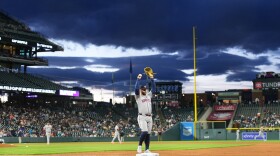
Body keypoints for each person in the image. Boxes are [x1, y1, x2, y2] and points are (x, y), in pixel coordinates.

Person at [135, 73, 156, 153]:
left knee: (148, 134)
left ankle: (147, 149)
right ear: (141, 90)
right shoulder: (138, 97)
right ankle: (139, 146)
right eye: (142, 89)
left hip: (150, 117)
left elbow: (153, 88)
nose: (144, 90)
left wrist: (152, 78)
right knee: (145, 131)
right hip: (142, 117)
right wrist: (138, 79)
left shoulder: (148, 95)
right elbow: (136, 89)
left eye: (145, 89)